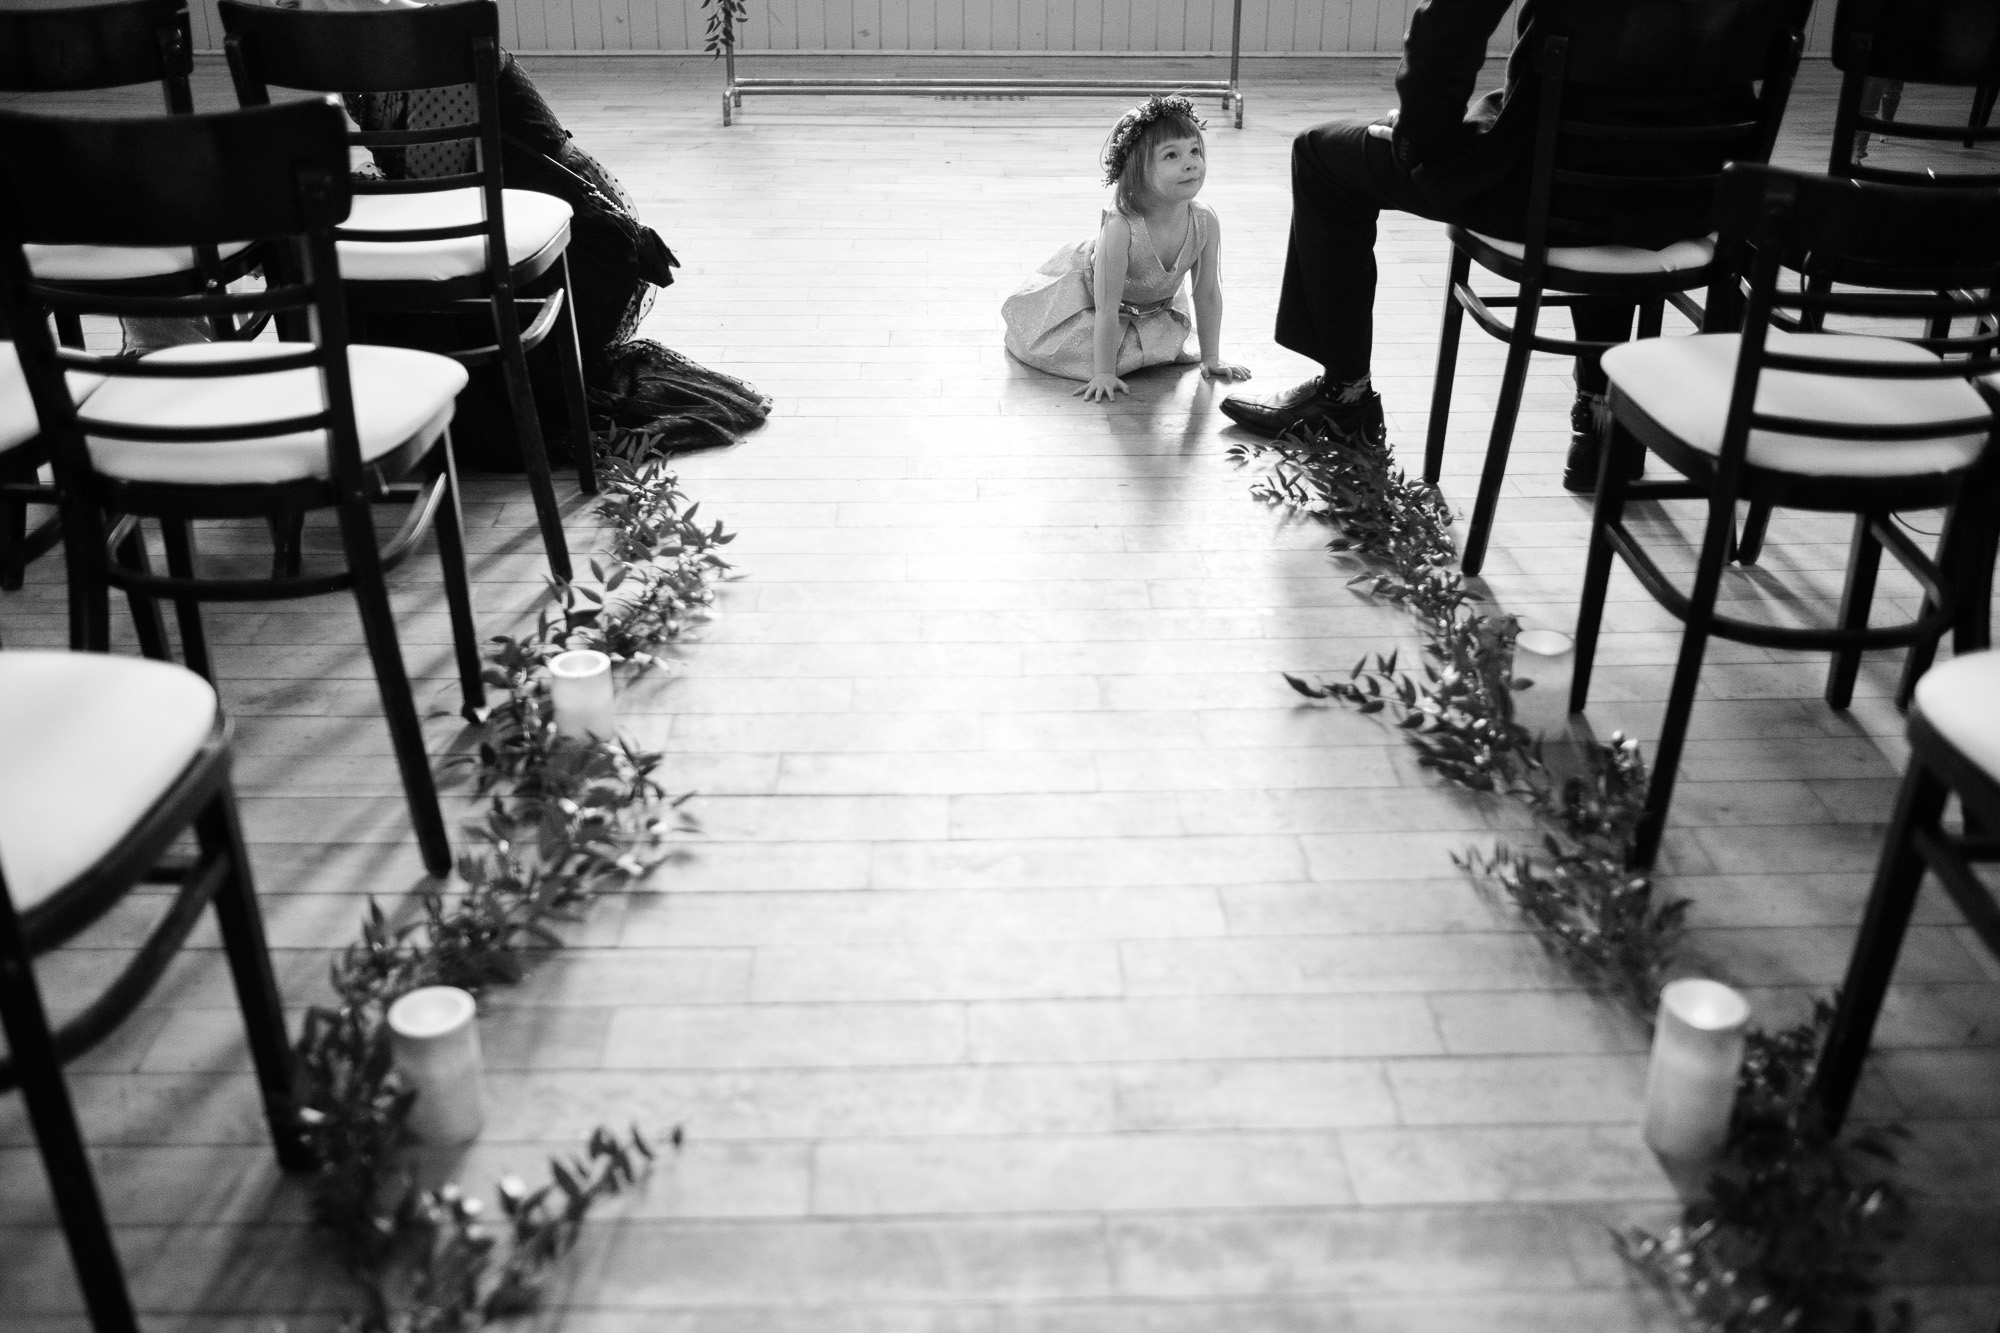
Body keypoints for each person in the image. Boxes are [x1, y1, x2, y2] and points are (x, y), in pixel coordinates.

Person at [1220, 0, 1785, 492]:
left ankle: (1345, 399)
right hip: (1700, 194)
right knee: (1601, 168)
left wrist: (1420, 137)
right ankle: (1601, 415)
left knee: (1321, 156)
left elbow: (1447, 32)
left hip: (1546, 193)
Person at [1003, 94, 1252, 403]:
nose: (1190, 164)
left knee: (1150, 357)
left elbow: (1208, 291)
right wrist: (1104, 373)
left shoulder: (1204, 220)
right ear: (1138, 170)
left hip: (1153, 307)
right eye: (1171, 156)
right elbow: (1107, 307)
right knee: (1084, 354)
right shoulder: (1122, 229)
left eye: (1195, 151)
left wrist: (1211, 356)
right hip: (1094, 304)